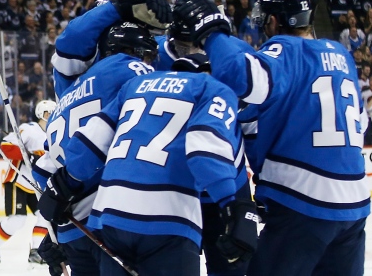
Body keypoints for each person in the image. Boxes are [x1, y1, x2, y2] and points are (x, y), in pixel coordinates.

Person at [172, 0, 371, 275]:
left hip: (303, 202)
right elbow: (361, 124)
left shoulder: (285, 49)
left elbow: (240, 74)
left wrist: (210, 30)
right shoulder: (340, 54)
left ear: (275, 20)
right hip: (355, 206)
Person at [38, 58, 258, 276]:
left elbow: (90, 142)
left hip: (109, 215)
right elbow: (204, 154)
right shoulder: (214, 89)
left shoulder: (136, 85)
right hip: (167, 219)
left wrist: (63, 185)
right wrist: (234, 207)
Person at [34, 22, 158, 276]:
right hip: (110, 219)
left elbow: (43, 173)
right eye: (145, 55)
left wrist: (53, 230)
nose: (149, 62)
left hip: (73, 232)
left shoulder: (65, 99)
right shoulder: (123, 67)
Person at [0, 100, 57, 267]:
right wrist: (29, 156)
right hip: (18, 181)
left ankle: (36, 252)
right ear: (44, 114)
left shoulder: (53, 135)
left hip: (36, 186)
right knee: (18, 219)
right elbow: (6, 145)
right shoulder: (29, 129)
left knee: (44, 216)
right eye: (52, 113)